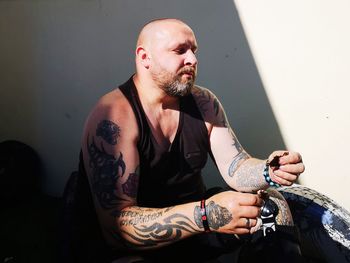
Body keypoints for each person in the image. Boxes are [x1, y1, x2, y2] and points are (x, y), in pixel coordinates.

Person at [75, 18, 305, 262]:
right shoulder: (113, 117)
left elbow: (236, 167)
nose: (193, 60)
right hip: (131, 250)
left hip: (195, 231)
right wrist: (206, 215)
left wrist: (268, 171)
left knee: (271, 206)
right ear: (145, 57)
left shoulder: (203, 103)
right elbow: (117, 229)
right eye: (179, 50)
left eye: (194, 51)